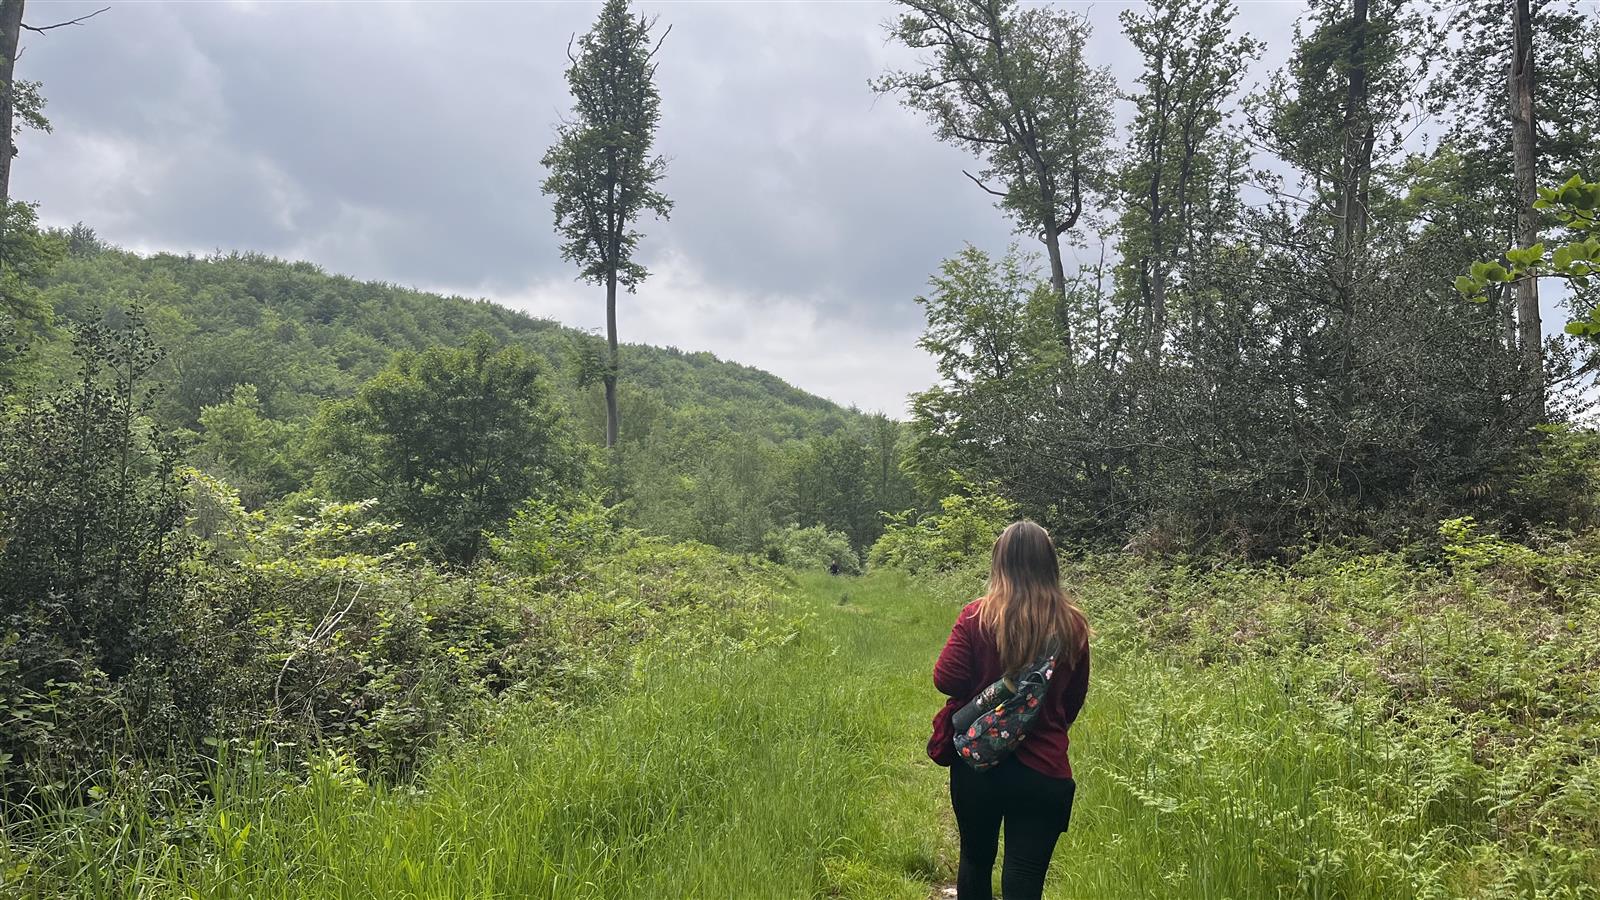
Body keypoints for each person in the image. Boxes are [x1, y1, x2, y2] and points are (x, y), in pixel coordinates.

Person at [927, 520, 1091, 900]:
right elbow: (1071, 703)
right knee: (1025, 876)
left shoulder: (976, 617)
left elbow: (945, 679)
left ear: (999, 563)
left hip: (977, 767)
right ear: (1050, 564)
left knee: (976, 861)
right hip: (1044, 768)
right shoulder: (1072, 626)